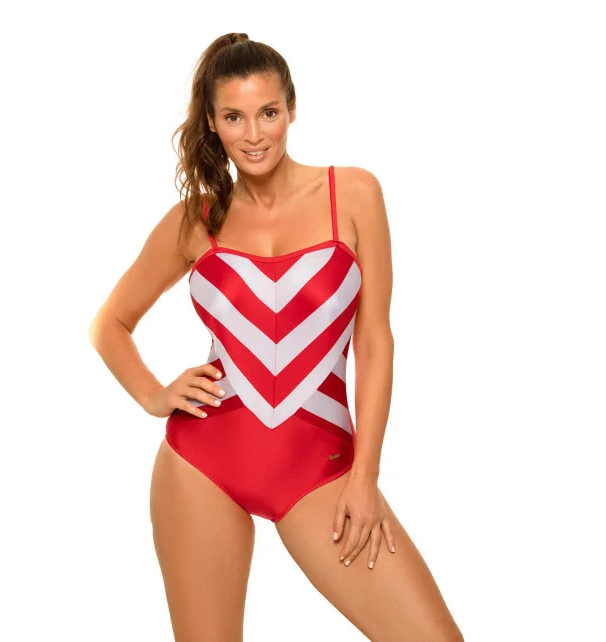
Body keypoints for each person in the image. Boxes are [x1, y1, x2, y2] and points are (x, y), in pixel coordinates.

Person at [89, 32, 463, 642]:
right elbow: (110, 323)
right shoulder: (196, 220)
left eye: (267, 112)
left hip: (321, 469)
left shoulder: (353, 193)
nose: (254, 134)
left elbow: (375, 343)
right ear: (213, 123)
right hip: (201, 464)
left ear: (291, 108)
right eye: (233, 117)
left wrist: (365, 478)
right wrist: (156, 395)